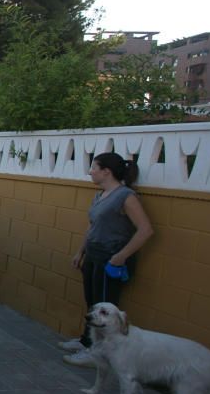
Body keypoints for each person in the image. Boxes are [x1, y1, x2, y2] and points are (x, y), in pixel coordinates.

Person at [61, 152, 153, 366]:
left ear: (106, 172)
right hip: (93, 255)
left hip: (110, 259)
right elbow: (93, 226)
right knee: (92, 304)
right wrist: (80, 252)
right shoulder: (100, 195)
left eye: (94, 167)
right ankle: (86, 341)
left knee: (105, 310)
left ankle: (98, 353)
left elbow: (146, 230)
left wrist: (120, 257)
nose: (90, 172)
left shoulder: (126, 196)